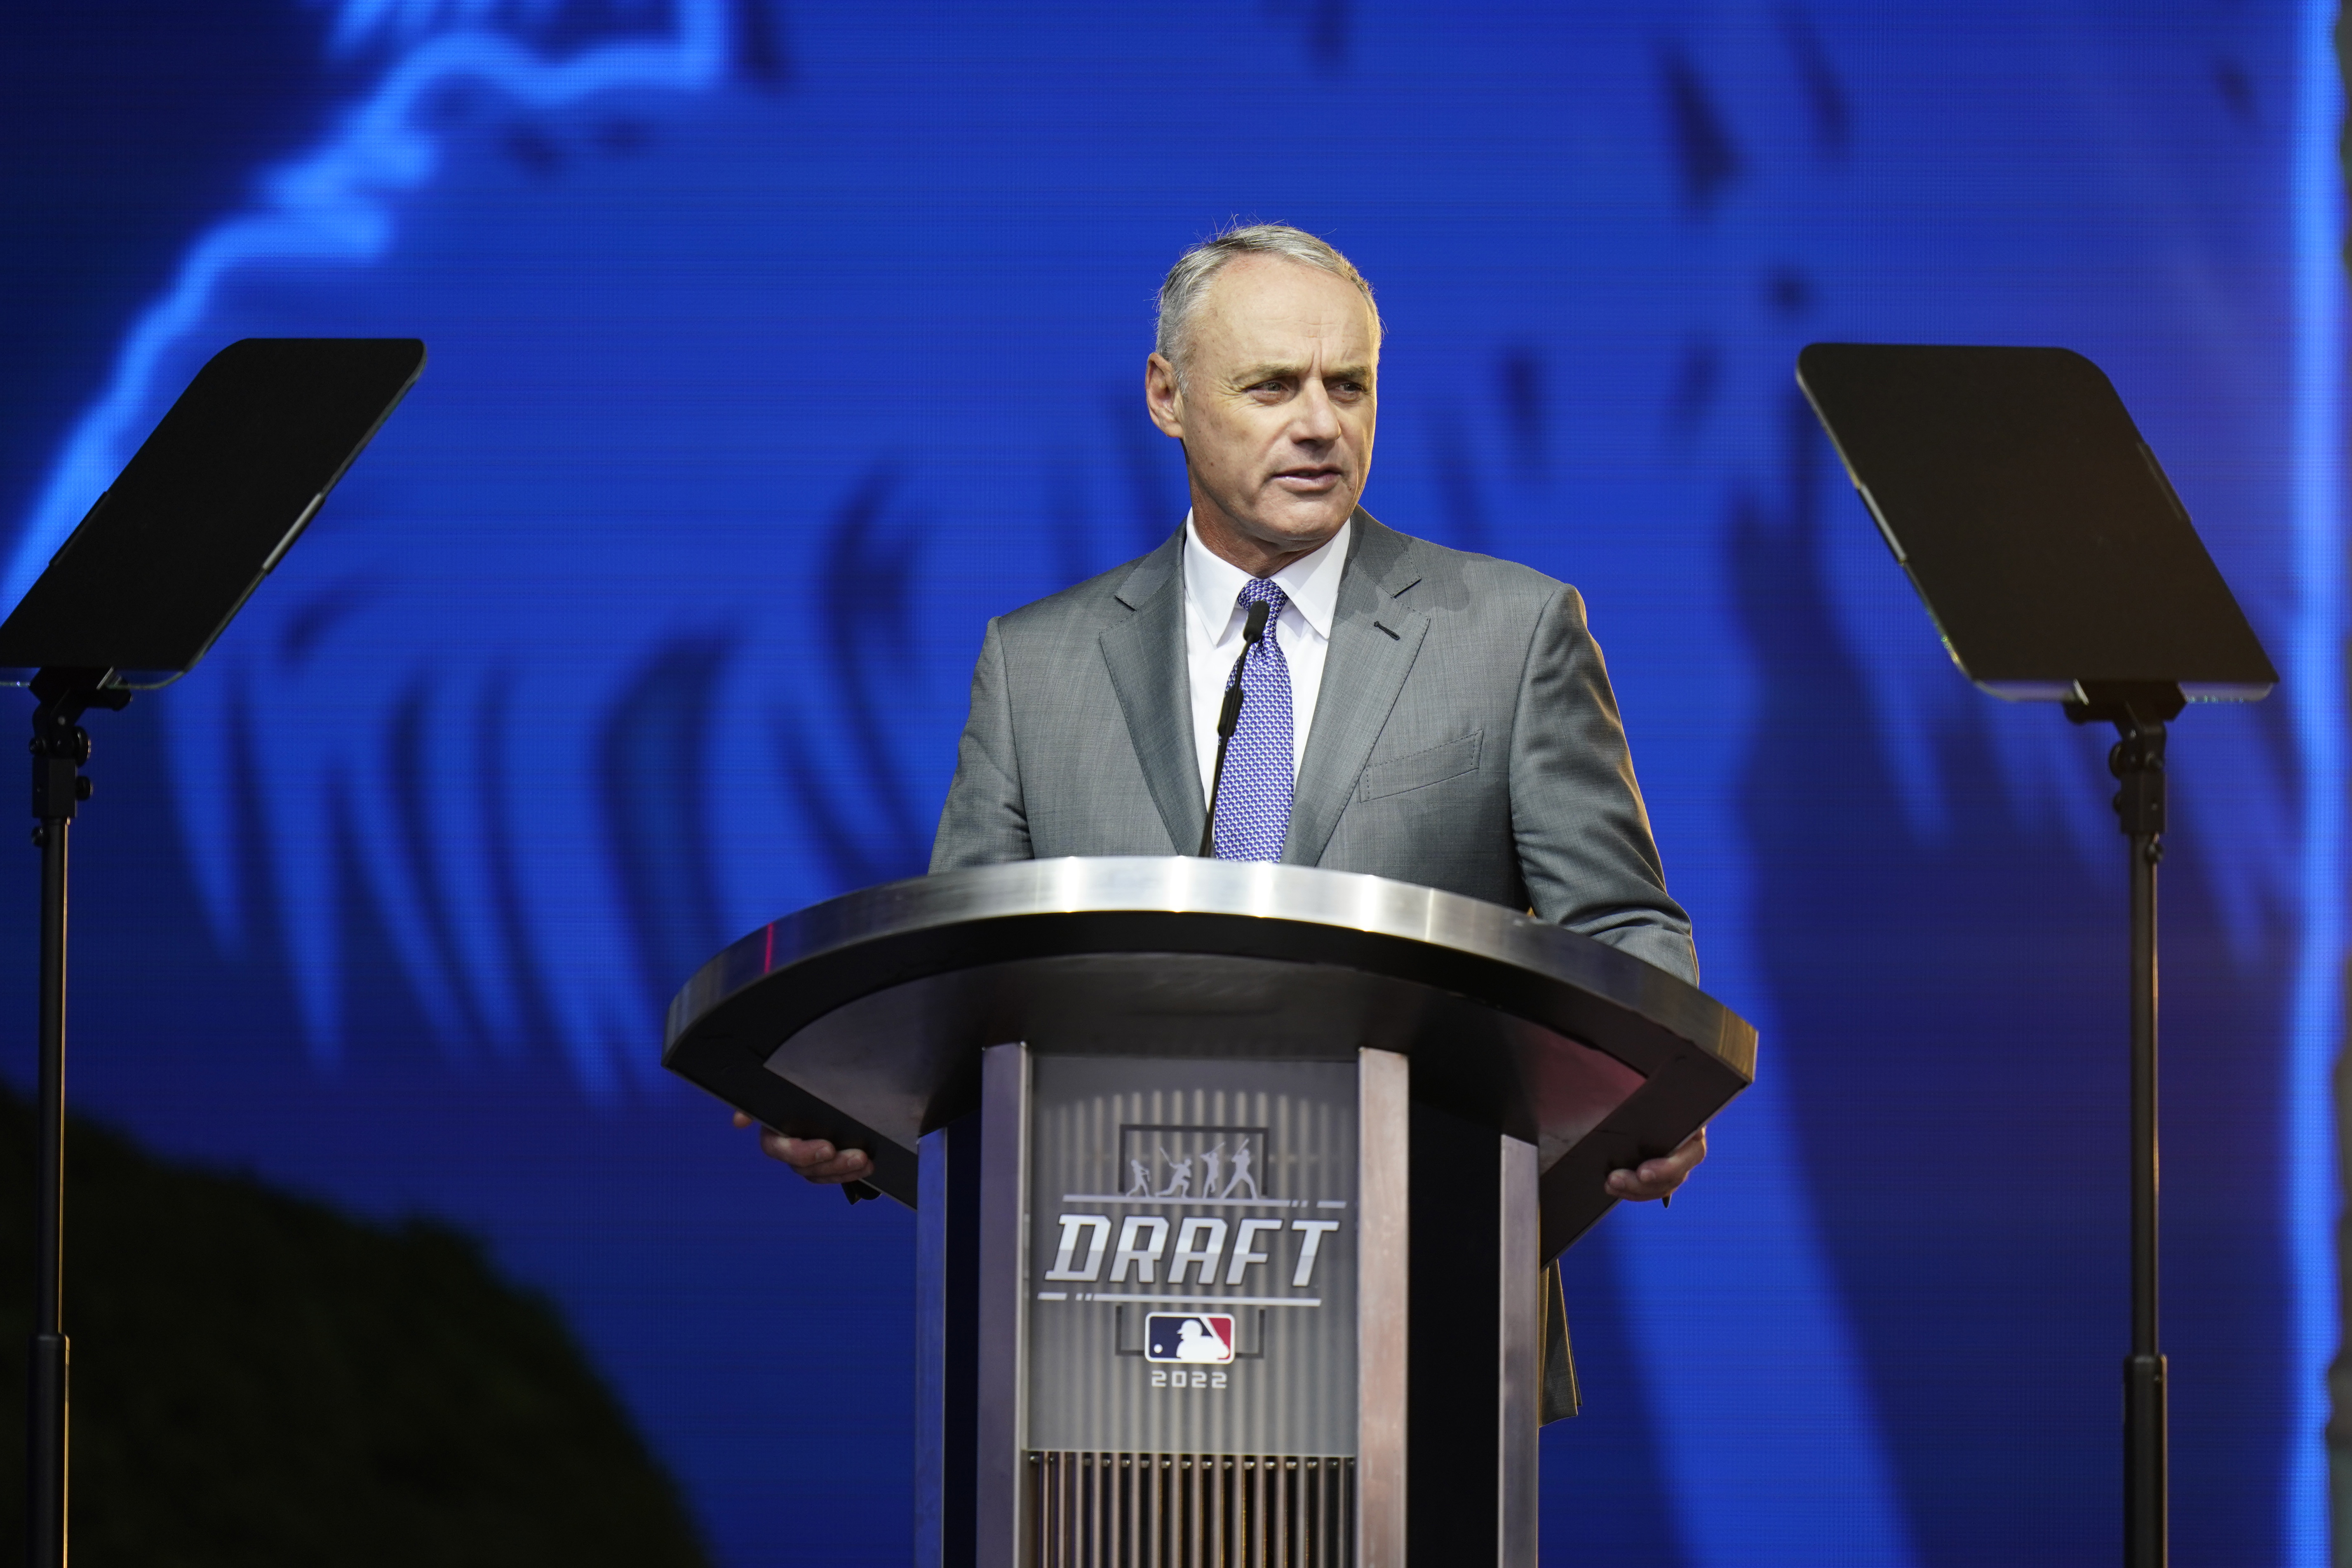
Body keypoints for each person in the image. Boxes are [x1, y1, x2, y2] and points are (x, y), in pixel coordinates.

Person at [739, 223, 1707, 1205]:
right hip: (1109, 1245)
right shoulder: (1034, 666)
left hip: (1429, 1241)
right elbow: (962, 978)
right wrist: (861, 1104)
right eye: (1273, 387)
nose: (1321, 424)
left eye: (1350, 386)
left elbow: (1620, 924)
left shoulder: (1512, 633)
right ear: (1167, 395)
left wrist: (1658, 1095)